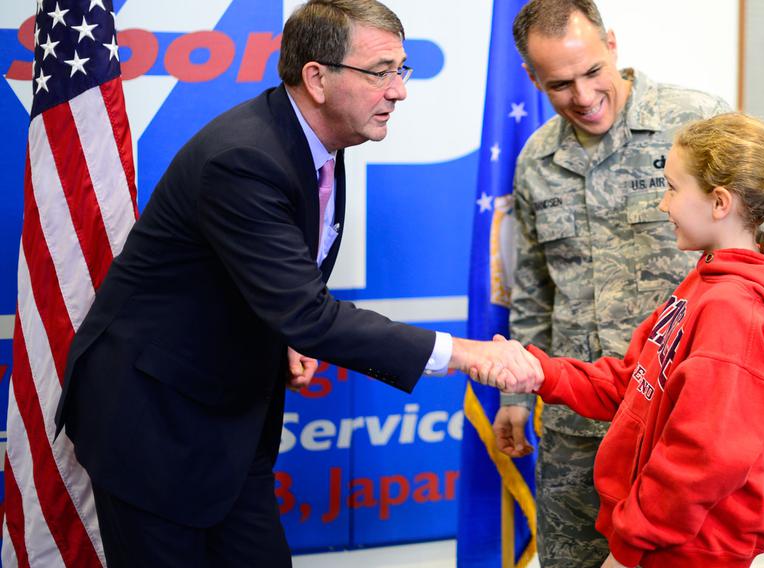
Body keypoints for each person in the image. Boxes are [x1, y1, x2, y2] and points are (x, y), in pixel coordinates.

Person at [53, 1, 540, 566]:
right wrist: (464, 353)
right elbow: (308, 312)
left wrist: (281, 329)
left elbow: (269, 276)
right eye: (380, 72)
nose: (399, 91)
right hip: (152, 423)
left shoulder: (322, 142)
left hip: (228, 424)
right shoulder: (244, 158)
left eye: (401, 70)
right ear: (317, 77)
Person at [494, 1, 764, 565]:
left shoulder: (694, 125)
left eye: (592, 72)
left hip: (677, 425)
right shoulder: (537, 159)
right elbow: (531, 287)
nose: (582, 95)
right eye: (559, 83)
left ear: (612, 44)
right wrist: (514, 392)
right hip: (580, 417)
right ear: (532, 79)